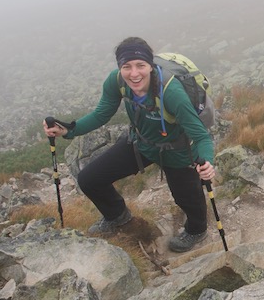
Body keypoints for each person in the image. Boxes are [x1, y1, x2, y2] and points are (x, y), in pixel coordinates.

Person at [43, 36, 216, 252]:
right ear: (120, 68)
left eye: (140, 65)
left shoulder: (170, 91)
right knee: (89, 179)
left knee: (186, 198)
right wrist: (69, 130)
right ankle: (117, 215)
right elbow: (101, 114)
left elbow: (200, 135)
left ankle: (197, 231)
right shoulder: (116, 81)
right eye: (127, 66)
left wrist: (207, 162)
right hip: (140, 142)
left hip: (177, 149)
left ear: (150, 66)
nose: (134, 74)